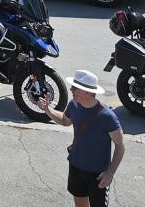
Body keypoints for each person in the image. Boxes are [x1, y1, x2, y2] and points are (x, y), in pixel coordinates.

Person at [42, 70, 125, 207]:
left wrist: (110, 173)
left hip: (98, 174)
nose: (71, 90)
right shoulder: (73, 105)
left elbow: (120, 145)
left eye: (75, 88)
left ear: (86, 91)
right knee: (80, 203)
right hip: (76, 166)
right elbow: (65, 121)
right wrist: (48, 110)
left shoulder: (107, 117)